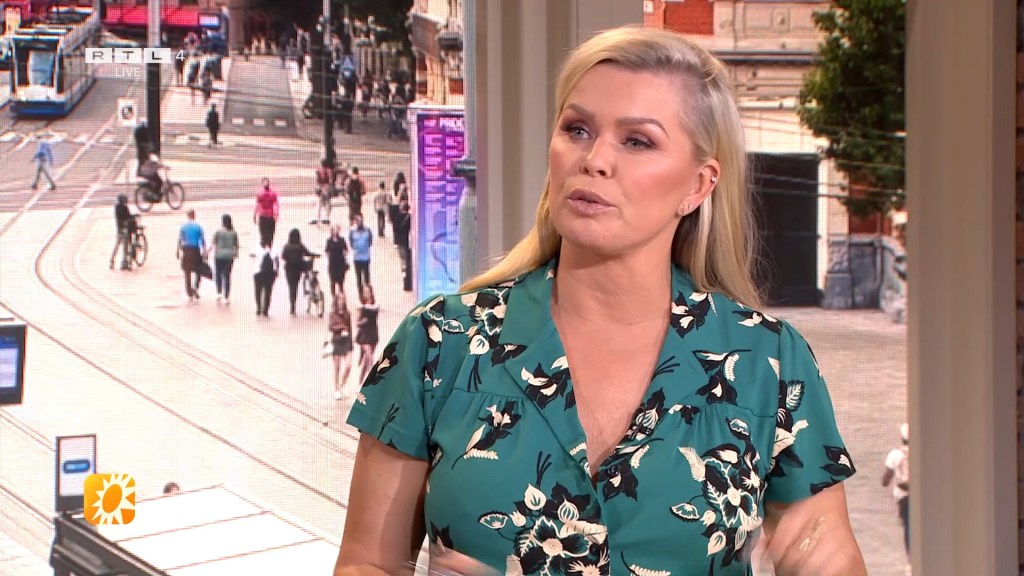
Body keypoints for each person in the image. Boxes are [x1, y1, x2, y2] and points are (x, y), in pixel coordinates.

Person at [334, 26, 866, 576]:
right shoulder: (439, 344)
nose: (594, 159)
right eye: (577, 129)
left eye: (637, 141)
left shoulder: (767, 364)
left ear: (698, 185)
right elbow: (367, 563)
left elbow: (826, 560)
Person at [882, 422, 910, 571]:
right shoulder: (923, 452)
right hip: (920, 497)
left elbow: (885, 481)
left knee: (908, 527)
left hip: (903, 496)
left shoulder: (896, 455)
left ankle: (911, 561)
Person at [280, 228, 319, 315]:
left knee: (292, 288)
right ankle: (311, 288)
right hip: (298, 269)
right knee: (296, 285)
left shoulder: (287, 246)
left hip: (289, 269)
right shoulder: (300, 246)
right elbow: (308, 253)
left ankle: (292, 306)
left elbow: (283, 256)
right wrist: (315, 255)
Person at [328, 293, 354, 400]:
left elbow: (350, 329)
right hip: (337, 341)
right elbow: (330, 327)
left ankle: (341, 385)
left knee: (348, 365)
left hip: (346, 341)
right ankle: (336, 389)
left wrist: (351, 344)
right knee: (337, 367)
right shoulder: (332, 314)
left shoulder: (347, 313)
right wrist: (341, 328)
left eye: (343, 300)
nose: (341, 302)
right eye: (339, 300)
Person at [176, 209, 206, 301]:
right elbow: (202, 239)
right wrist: (204, 251)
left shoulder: (183, 227)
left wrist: (177, 250)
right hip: (195, 250)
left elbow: (180, 239)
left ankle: (189, 292)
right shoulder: (198, 227)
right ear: (194, 215)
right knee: (199, 270)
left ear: (187, 216)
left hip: (186, 249)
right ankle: (195, 287)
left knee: (187, 272)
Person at [354, 284, 379, 385]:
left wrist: (364, 308)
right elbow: (357, 322)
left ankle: (361, 380)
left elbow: (375, 309)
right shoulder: (361, 305)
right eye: (364, 292)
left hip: (373, 333)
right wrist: (362, 322)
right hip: (364, 334)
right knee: (369, 356)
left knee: (367, 359)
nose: (366, 293)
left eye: (368, 291)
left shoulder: (374, 304)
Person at [211, 214, 239, 303]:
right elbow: (236, 245)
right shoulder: (233, 232)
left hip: (218, 255)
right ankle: (226, 296)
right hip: (229, 256)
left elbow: (213, 243)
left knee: (218, 274)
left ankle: (219, 292)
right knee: (227, 276)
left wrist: (207, 252)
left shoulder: (218, 232)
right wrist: (235, 254)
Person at [110, 194, 136, 271]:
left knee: (117, 245)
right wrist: (133, 217)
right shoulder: (124, 207)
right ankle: (124, 263)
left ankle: (112, 261)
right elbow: (127, 216)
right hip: (125, 229)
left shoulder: (117, 207)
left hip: (119, 229)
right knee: (125, 246)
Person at [348, 214, 372, 295]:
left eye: (360, 220)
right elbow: (351, 243)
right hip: (357, 257)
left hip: (366, 257)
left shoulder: (367, 230)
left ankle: (368, 294)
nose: (359, 222)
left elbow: (370, 242)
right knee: (359, 277)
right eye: (357, 221)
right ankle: (361, 294)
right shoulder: (352, 231)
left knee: (367, 277)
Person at [253, 241, 278, 316]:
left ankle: (258, 308)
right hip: (270, 273)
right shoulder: (275, 250)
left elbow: (251, 255)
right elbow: (277, 262)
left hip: (258, 272)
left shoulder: (256, 248)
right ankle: (265, 310)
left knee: (258, 291)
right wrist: (276, 272)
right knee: (268, 292)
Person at [325, 224, 350, 297]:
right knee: (332, 281)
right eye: (334, 230)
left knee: (341, 282)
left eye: (337, 230)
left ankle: (341, 297)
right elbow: (327, 251)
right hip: (332, 264)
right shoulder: (329, 240)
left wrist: (344, 254)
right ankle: (333, 297)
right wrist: (329, 257)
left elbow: (346, 250)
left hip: (340, 263)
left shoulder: (342, 240)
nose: (335, 231)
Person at [254, 177, 279, 247]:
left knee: (267, 234)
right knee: (267, 235)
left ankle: (266, 247)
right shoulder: (263, 193)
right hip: (266, 216)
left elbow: (275, 204)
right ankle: (266, 247)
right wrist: (255, 215)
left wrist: (276, 214)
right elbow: (258, 204)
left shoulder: (264, 193)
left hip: (267, 216)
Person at [393, 200, 412, 292]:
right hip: (407, 242)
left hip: (399, 242)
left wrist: (395, 242)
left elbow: (395, 230)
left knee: (402, 260)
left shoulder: (397, 217)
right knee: (407, 261)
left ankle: (404, 276)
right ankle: (407, 279)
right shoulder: (410, 218)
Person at [314, 159, 338, 225]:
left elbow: (317, 181)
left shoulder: (318, 170)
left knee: (320, 203)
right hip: (327, 189)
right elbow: (331, 181)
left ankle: (318, 218)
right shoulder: (328, 170)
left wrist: (321, 187)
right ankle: (327, 218)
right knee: (327, 203)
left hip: (321, 188)